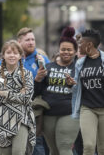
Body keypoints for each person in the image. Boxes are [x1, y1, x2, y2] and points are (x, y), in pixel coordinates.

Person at [66, 29, 104, 155]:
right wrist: (70, 84)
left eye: (81, 43)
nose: (79, 46)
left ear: (89, 45)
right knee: (88, 145)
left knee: (103, 148)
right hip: (87, 108)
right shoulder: (80, 63)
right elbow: (76, 87)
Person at [0, 40, 36, 155]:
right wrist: (18, 93)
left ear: (20, 56)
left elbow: (27, 98)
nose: (12, 55)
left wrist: (6, 93)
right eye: (8, 52)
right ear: (3, 55)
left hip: (21, 117)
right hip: (1, 118)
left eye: (15, 53)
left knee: (18, 152)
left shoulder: (27, 74)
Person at [33, 27, 79, 155]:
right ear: (58, 50)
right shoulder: (48, 67)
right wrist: (37, 79)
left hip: (69, 112)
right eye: (63, 49)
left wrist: (72, 86)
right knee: (53, 150)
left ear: (75, 52)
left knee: (64, 147)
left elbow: (83, 92)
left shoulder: (78, 68)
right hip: (49, 113)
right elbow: (36, 93)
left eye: (69, 50)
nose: (66, 52)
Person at [17, 27, 50, 155]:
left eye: (33, 39)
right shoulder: (12, 58)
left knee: (36, 144)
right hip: (15, 107)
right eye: (27, 40)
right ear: (19, 42)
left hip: (35, 109)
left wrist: (40, 78)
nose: (31, 42)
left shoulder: (40, 59)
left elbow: (48, 84)